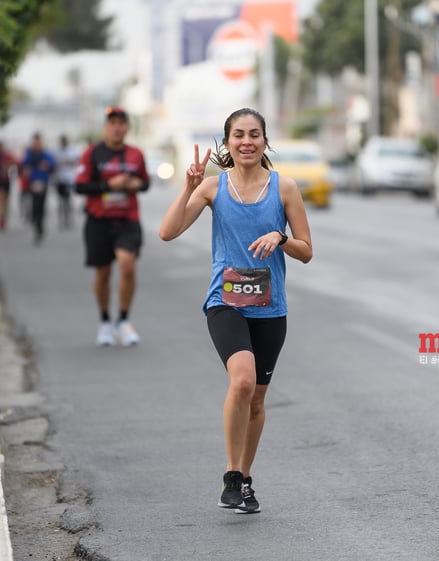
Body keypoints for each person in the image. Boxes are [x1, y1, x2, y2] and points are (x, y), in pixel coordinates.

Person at [158, 108, 313, 513]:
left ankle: (245, 478)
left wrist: (280, 237)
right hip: (225, 302)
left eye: (254, 134)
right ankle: (230, 473)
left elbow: (307, 251)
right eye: (238, 135)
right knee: (241, 381)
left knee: (258, 401)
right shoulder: (213, 188)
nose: (247, 142)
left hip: (270, 307)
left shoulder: (285, 189)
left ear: (265, 142)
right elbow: (168, 232)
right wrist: (187, 187)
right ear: (227, 144)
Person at [74, 107, 150, 347]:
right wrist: (109, 185)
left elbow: (146, 183)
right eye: (112, 123)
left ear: (127, 127)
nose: (117, 127)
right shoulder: (92, 153)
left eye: (121, 123)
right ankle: (105, 321)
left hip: (127, 220)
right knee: (103, 272)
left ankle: (124, 321)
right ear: (106, 127)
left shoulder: (136, 154)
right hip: (98, 221)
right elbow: (80, 187)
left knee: (127, 265)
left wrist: (135, 184)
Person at [21, 133, 57, 244]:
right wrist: (26, 171)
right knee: (35, 206)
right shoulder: (29, 155)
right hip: (33, 183)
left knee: (41, 206)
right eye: (35, 142)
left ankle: (40, 225)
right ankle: (36, 225)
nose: (37, 144)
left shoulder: (46, 155)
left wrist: (47, 166)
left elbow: (53, 166)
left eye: (39, 142)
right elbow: (23, 166)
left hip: (43, 183)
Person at [54, 134, 80, 230]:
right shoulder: (57, 152)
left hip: (68, 179)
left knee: (68, 200)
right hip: (60, 179)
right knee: (61, 201)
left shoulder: (71, 151)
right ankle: (62, 219)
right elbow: (55, 163)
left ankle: (69, 219)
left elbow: (75, 160)